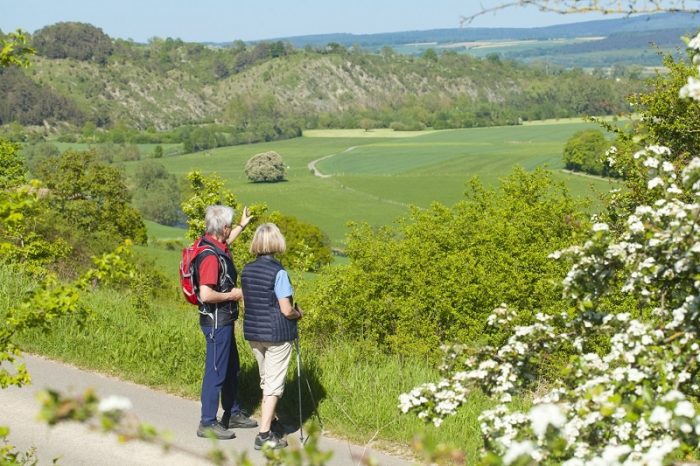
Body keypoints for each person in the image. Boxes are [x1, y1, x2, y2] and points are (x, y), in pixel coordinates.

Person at [195, 205, 258, 440]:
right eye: (229, 225)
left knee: (231, 367)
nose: (230, 230)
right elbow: (206, 294)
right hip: (216, 322)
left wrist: (242, 224)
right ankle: (207, 422)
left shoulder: (212, 244)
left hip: (223, 320)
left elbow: (227, 241)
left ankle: (231, 413)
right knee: (216, 371)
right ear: (222, 227)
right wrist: (234, 294)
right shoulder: (210, 258)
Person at [241, 223, 302, 450]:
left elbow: (247, 303)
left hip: (254, 332)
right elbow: (286, 309)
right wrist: (299, 314)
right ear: (277, 243)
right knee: (274, 385)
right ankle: (264, 434)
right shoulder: (279, 272)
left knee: (266, 380)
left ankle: (272, 423)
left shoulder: (247, 270)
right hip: (277, 334)